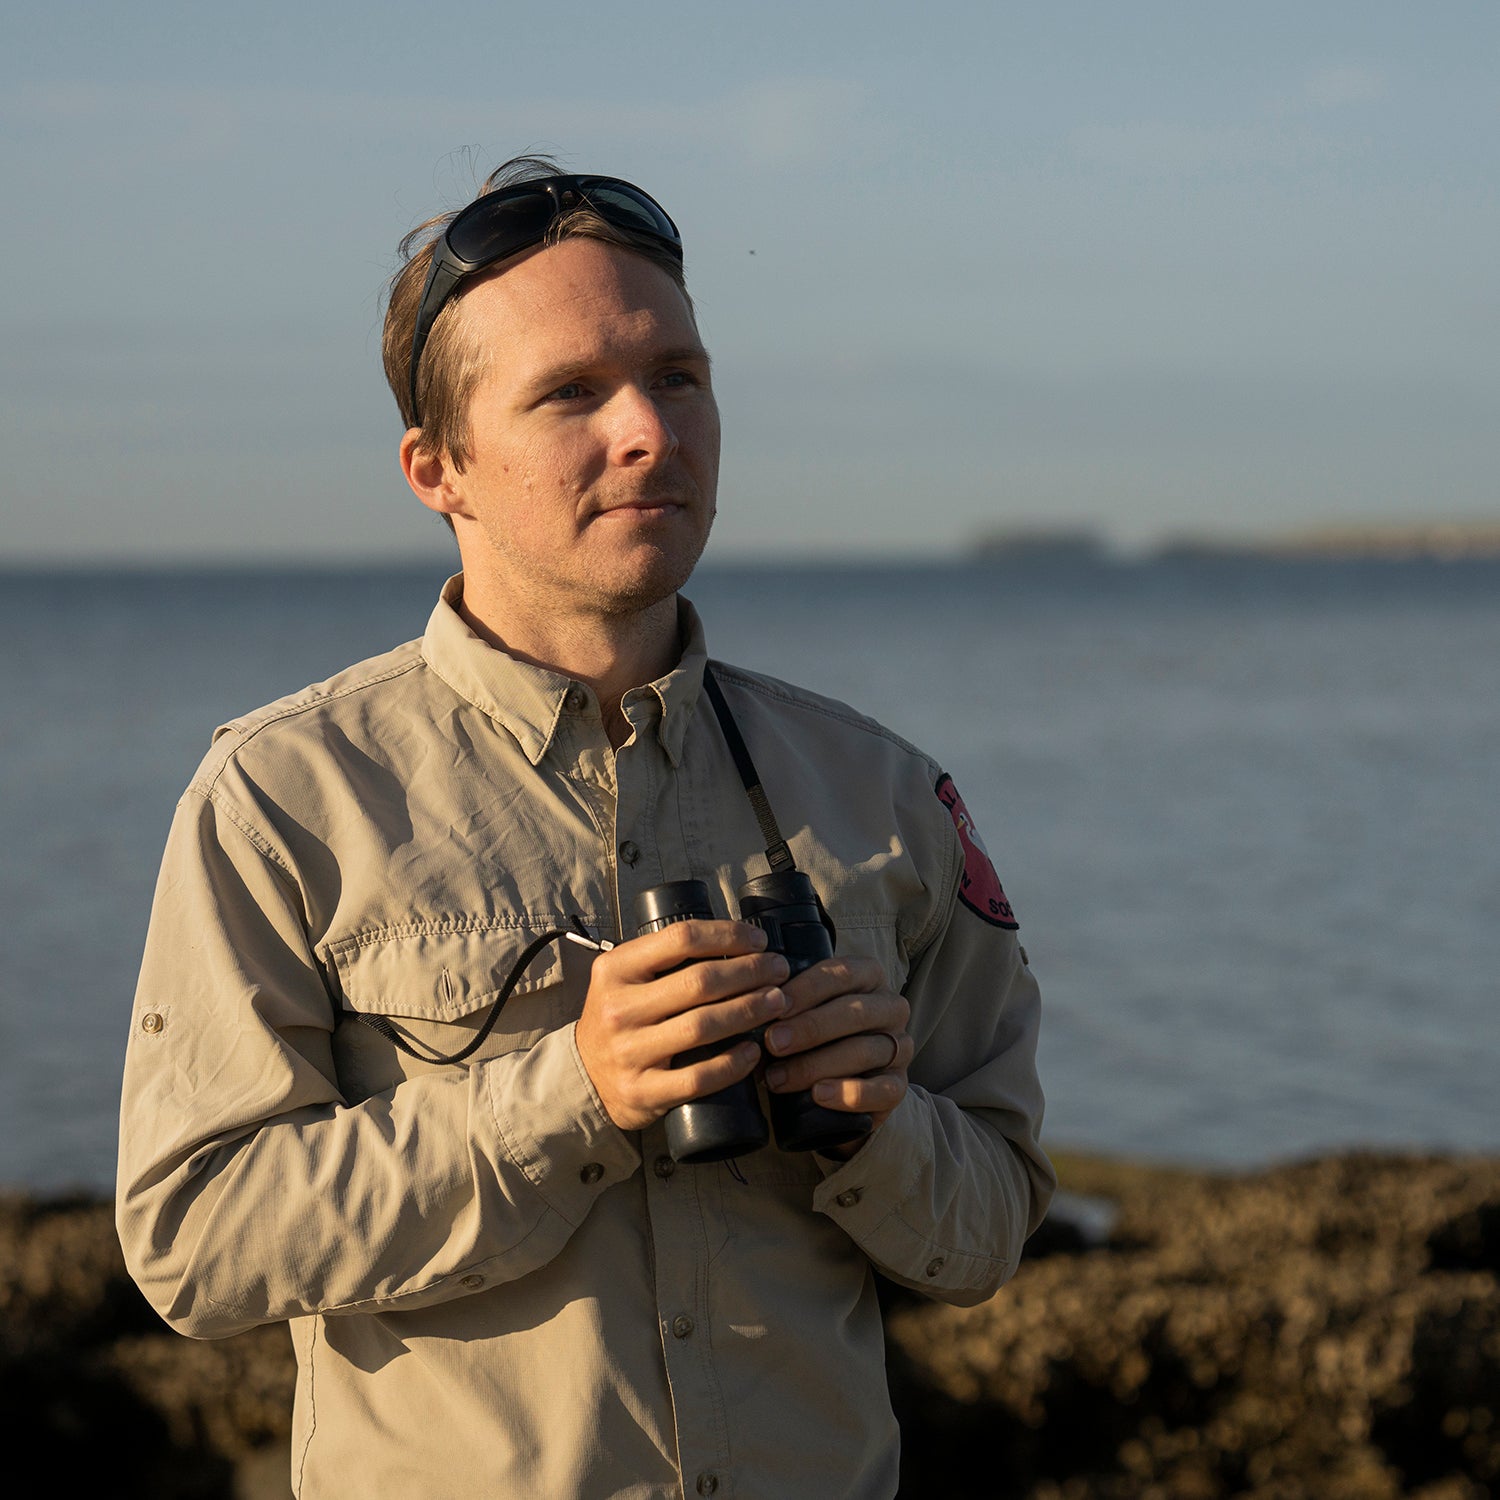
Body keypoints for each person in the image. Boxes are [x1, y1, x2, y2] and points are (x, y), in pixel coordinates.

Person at [116, 156, 1054, 1500]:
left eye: (679, 376)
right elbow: (195, 1245)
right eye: (571, 394)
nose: (652, 434)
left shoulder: (881, 793)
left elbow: (995, 1226)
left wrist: (877, 1127)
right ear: (438, 469)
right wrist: (572, 1097)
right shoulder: (284, 800)